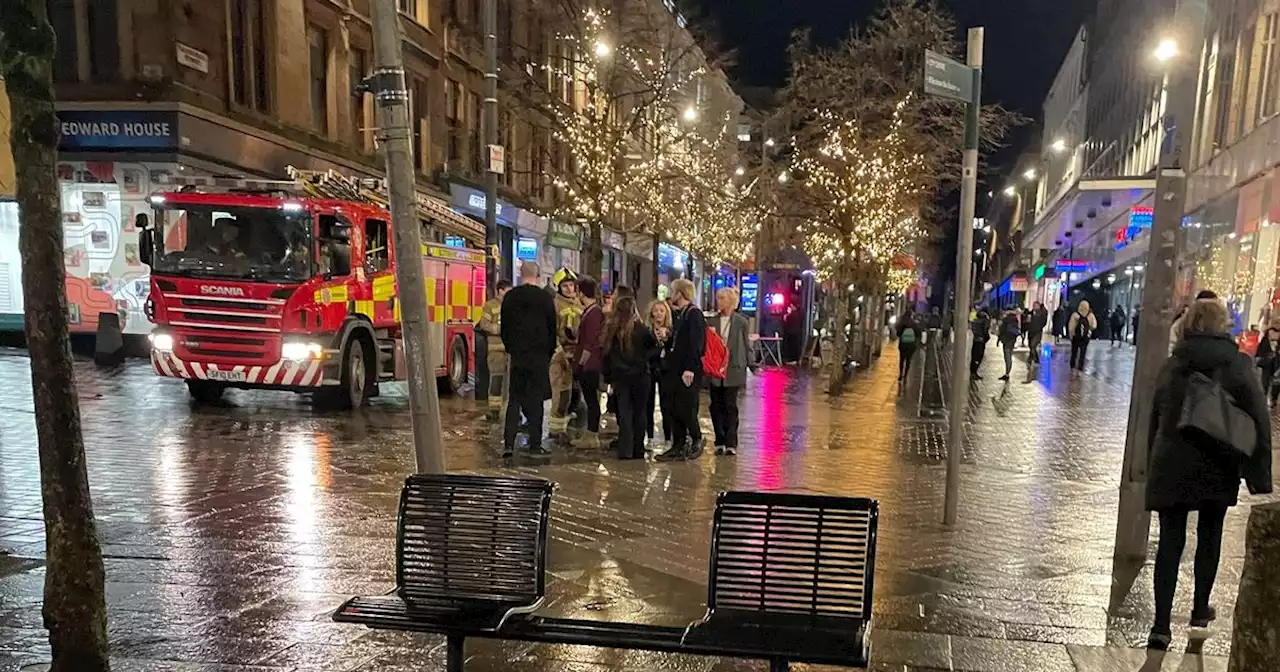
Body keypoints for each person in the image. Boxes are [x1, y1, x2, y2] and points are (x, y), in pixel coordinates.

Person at [1145, 298, 1273, 650]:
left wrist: (1148, 464)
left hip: (1172, 463)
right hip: (1219, 463)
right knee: (1209, 536)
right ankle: (1199, 611)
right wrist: (1259, 476)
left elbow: (1154, 418)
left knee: (1170, 543)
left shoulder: (1175, 364)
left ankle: (1160, 627)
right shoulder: (1237, 364)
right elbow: (1260, 420)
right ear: (1222, 325)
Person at [500, 262, 558, 457]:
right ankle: (534, 445)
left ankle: (508, 444)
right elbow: (552, 329)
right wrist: (547, 353)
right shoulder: (545, 298)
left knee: (514, 399)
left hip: (518, 356)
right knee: (537, 400)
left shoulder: (510, 297)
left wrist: (511, 349)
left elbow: (504, 328)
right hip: (539, 357)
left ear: (520, 273)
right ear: (538, 275)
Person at [657, 278, 706, 461]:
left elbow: (696, 343)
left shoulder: (694, 314)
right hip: (674, 368)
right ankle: (678, 445)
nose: (671, 294)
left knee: (686, 407)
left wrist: (690, 368)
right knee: (673, 408)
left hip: (686, 369)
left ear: (680, 293)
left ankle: (696, 438)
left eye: (673, 291)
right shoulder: (680, 314)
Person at [602, 296, 656, 460]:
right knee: (639, 412)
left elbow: (606, 356)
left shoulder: (611, 329)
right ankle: (638, 449)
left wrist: (608, 378)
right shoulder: (641, 329)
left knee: (624, 413)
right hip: (640, 376)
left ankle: (625, 449)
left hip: (620, 377)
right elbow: (652, 349)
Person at [708, 287, 751, 456]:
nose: (719, 301)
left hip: (733, 368)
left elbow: (746, 345)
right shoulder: (711, 322)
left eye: (722, 298)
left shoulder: (741, 322)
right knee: (715, 405)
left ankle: (731, 441)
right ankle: (719, 440)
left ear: (731, 302)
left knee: (730, 405)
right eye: (718, 298)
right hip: (715, 370)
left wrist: (751, 364)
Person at [548, 267, 583, 447]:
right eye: (565, 286)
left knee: (573, 395)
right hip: (560, 354)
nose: (569, 289)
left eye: (571, 285)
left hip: (576, 356)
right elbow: (551, 329)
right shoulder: (555, 304)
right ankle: (556, 432)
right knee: (561, 394)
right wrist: (557, 349)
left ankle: (566, 428)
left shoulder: (579, 305)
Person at [574, 276, 605, 447]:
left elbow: (589, 342)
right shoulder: (591, 312)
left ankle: (592, 435)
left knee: (591, 400)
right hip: (589, 364)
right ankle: (589, 433)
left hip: (590, 365)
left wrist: (580, 364)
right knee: (590, 399)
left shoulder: (594, 313)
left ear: (581, 292)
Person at [475, 280, 512, 419]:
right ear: (500, 291)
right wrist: (502, 330)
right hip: (496, 350)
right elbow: (484, 325)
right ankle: (494, 410)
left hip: (510, 351)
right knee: (496, 380)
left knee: (511, 383)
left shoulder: (512, 305)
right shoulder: (490, 306)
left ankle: (510, 410)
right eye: (507, 291)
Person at [646, 299, 674, 450]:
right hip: (650, 370)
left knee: (666, 405)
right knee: (648, 404)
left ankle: (668, 437)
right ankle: (649, 437)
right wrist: (659, 351)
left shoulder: (671, 331)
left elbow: (672, 351)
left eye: (662, 311)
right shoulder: (647, 331)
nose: (658, 314)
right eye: (656, 310)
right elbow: (645, 352)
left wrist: (666, 340)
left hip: (666, 371)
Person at [1067, 301, 1097, 372]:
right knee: (1083, 353)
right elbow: (1094, 325)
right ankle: (1080, 367)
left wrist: (1071, 335)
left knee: (1074, 351)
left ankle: (1072, 366)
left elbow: (1071, 327)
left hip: (1076, 337)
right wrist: (1089, 330)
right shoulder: (1091, 315)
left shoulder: (1075, 315)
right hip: (1085, 337)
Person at [1256, 318, 1280, 407]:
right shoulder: (1266, 336)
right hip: (1268, 363)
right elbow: (1261, 349)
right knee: (1266, 382)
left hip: (1276, 362)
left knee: (1275, 383)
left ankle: (1272, 399)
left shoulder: (1268, 335)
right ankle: (1266, 399)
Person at [997, 309, 1021, 381]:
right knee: (1009, 356)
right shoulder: (1015, 320)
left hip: (1006, 340)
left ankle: (1007, 374)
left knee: (1007, 357)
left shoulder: (1005, 320)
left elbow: (1001, 331)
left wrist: (998, 340)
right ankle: (1007, 373)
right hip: (1012, 340)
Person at [896, 309, 920, 381]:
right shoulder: (913, 324)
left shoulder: (902, 323)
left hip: (903, 344)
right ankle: (906, 375)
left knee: (902, 360)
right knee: (908, 360)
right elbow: (918, 333)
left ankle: (900, 374)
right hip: (911, 345)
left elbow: (898, 334)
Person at [969, 305, 991, 380]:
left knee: (974, 356)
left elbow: (973, 330)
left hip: (975, 340)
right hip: (981, 341)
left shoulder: (975, 321)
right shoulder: (985, 321)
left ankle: (973, 372)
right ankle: (974, 373)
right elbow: (985, 331)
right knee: (979, 356)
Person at [1027, 301, 1048, 365]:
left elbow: (1044, 322)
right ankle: (1031, 359)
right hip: (1031, 332)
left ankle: (1036, 359)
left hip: (1037, 332)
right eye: (1033, 305)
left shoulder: (1041, 313)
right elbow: (1027, 321)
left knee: (1033, 345)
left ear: (1038, 306)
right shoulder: (1031, 313)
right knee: (1030, 346)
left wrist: (1039, 327)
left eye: (1035, 305)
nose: (1034, 307)